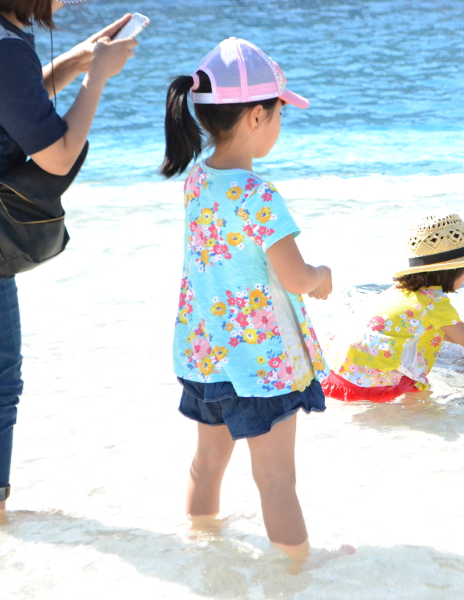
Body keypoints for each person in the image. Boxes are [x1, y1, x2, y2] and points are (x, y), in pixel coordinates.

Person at [0, 0, 137, 526]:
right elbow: (57, 154)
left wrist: (76, 60)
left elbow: (0, 102)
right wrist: (97, 79)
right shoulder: (1, 46)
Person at [161, 38, 351, 570]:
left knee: (207, 466)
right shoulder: (258, 195)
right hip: (258, 366)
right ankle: (296, 573)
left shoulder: (196, 178)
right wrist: (323, 278)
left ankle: (205, 555)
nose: (281, 124)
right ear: (255, 115)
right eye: (280, 113)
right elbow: (294, 276)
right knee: (275, 482)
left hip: (204, 355)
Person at [322, 212, 464, 403]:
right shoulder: (433, 303)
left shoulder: (401, 291)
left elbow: (425, 328)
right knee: (420, 395)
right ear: (450, 272)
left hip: (337, 370)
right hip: (368, 381)